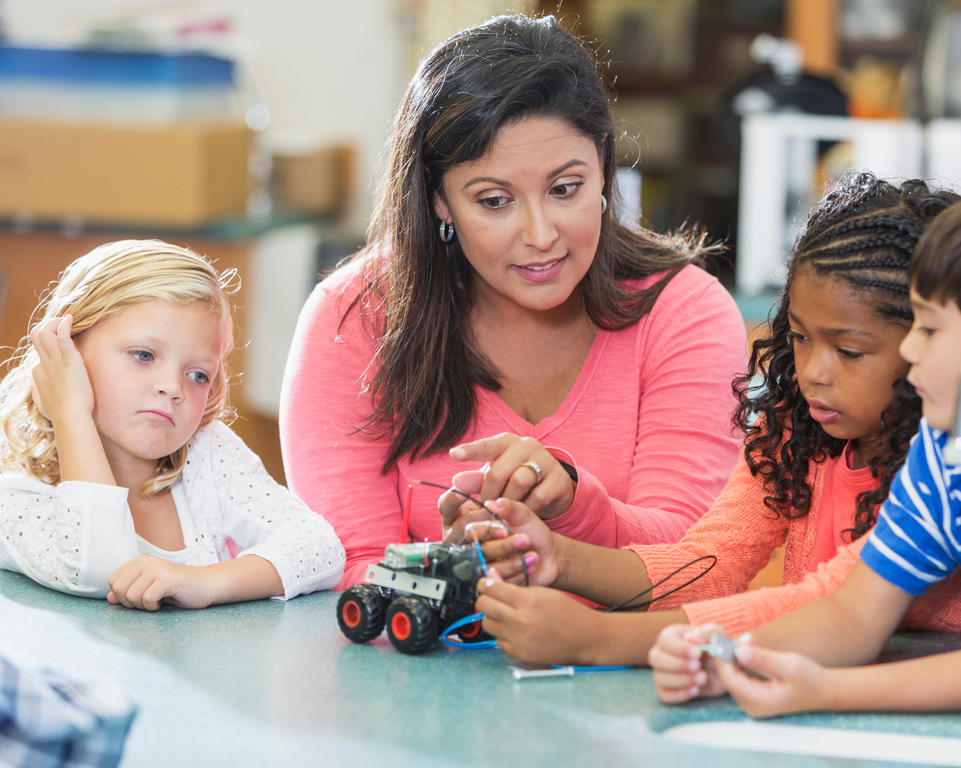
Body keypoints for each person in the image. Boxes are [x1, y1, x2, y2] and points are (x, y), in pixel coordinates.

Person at [279, 14, 748, 590]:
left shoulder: (684, 311)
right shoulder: (351, 318)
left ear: (604, 166)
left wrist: (571, 505)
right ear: (439, 200)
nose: (541, 234)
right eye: (495, 200)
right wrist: (461, 576)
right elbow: (353, 569)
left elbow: (695, 564)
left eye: (565, 189)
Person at [470, 173, 961, 668]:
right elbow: (710, 564)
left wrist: (597, 639)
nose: (814, 372)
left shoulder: (957, 463)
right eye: (799, 336)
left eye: (850, 351)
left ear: (930, 342)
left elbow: (831, 606)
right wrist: (559, 558)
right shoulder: (797, 431)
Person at [649, 186, 961, 715]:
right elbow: (854, 615)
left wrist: (824, 691)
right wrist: (727, 657)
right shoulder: (952, 448)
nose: (908, 349)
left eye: (929, 328)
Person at [0, 240, 344, 610]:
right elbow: (100, 571)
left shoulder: (206, 456)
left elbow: (321, 547)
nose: (173, 387)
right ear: (66, 351)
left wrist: (205, 583)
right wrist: (71, 411)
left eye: (198, 375)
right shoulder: (12, 503)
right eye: (143, 355)